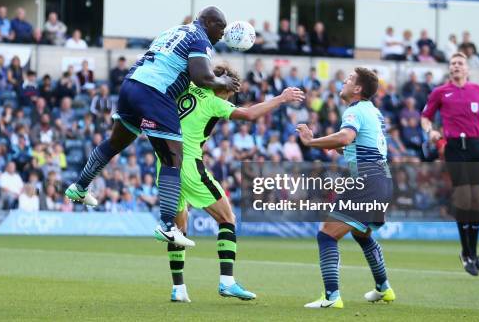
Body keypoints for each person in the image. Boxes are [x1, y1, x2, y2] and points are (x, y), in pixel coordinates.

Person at [65, 6, 239, 247]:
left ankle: (80, 186)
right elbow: (202, 78)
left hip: (131, 84)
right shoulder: (200, 38)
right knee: (173, 158)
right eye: (220, 28)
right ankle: (168, 226)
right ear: (208, 22)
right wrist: (223, 80)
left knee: (116, 141)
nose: (222, 34)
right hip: (155, 92)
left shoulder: (174, 30)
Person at [167, 64, 304, 302]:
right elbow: (250, 115)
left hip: (166, 163)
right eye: (231, 92)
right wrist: (281, 98)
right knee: (227, 218)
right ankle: (227, 282)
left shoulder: (187, 87)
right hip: (189, 165)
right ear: (224, 88)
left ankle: (178, 289)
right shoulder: (214, 102)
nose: (231, 96)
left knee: (179, 227)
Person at [296, 67, 395, 308]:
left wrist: (311, 142)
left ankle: (332, 297)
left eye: (349, 79)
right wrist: (335, 144)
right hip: (382, 179)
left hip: (367, 180)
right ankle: (384, 288)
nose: (344, 81)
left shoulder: (355, 110)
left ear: (358, 89)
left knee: (326, 235)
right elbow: (353, 145)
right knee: (362, 234)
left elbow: (344, 139)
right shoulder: (373, 112)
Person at [421, 52, 479, 276]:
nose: (456, 67)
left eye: (460, 63)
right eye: (453, 64)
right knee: (463, 198)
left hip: (475, 145)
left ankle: (473, 252)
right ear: (449, 69)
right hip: (454, 147)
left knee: (477, 200)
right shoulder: (440, 92)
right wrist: (430, 131)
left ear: (467, 69)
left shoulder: (477, 90)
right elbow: (425, 117)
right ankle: (466, 253)